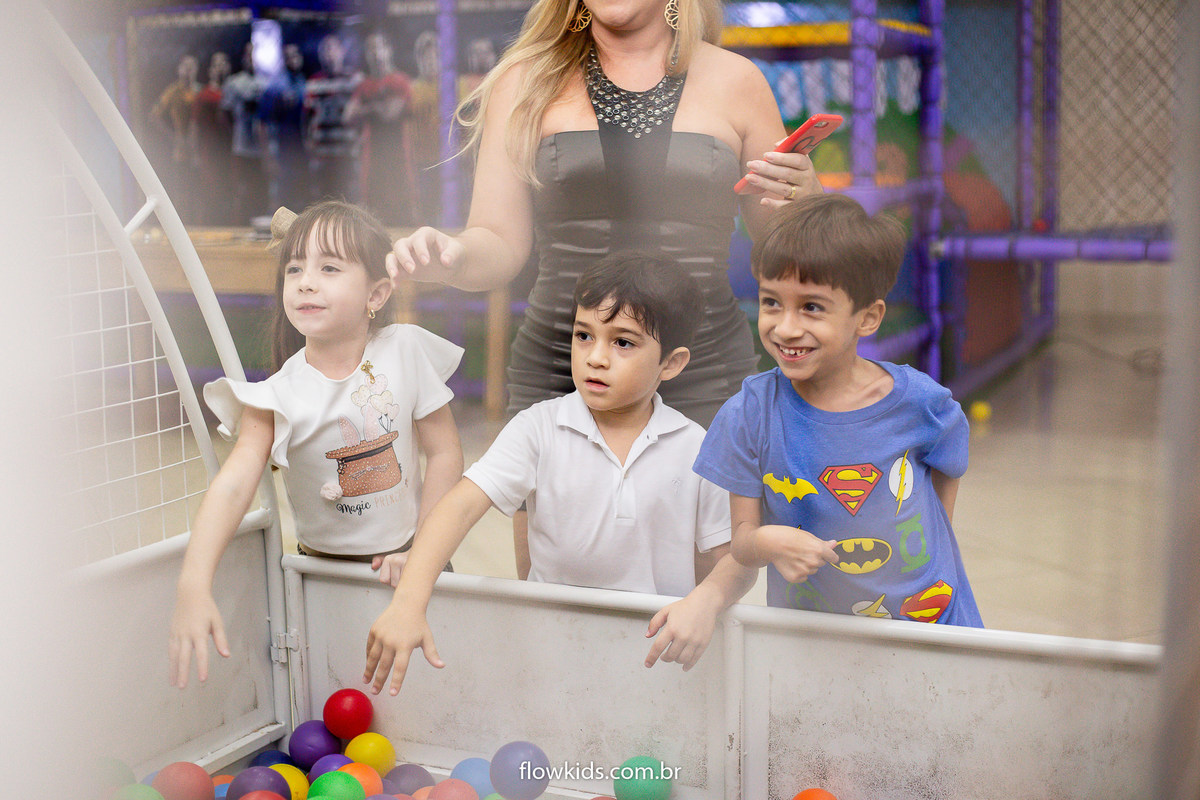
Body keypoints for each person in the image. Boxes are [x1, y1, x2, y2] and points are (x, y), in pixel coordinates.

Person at [387, 0, 823, 428]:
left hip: (703, 370)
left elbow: (783, 247)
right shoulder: (523, 82)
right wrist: (452, 257)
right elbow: (498, 239)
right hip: (562, 372)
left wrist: (805, 201)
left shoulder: (738, 80)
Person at [362, 253, 758, 696]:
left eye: (623, 343)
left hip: (655, 669)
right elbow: (459, 507)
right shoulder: (538, 427)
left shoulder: (699, 447)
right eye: (584, 335)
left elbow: (735, 560)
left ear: (671, 363)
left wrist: (705, 602)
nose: (596, 358)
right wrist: (409, 602)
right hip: (550, 659)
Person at [168, 200, 465, 688]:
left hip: (417, 569)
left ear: (376, 293)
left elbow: (446, 453)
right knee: (337, 701)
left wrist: (422, 552)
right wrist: (193, 584)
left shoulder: (406, 350)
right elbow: (234, 484)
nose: (306, 282)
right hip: (323, 584)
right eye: (294, 268)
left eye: (328, 268)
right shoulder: (276, 395)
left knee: (428, 696)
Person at [692, 194, 983, 627]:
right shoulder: (750, 414)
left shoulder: (922, 403)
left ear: (867, 318)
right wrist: (769, 541)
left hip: (933, 626)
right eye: (771, 302)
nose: (785, 327)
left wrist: (935, 555)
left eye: (811, 307)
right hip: (814, 638)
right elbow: (742, 542)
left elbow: (948, 467)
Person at [345, 30, 414, 225]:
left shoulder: (400, 80)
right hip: (372, 156)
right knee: (375, 209)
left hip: (398, 155)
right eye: (371, 48)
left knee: (400, 209)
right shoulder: (365, 84)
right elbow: (348, 115)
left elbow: (390, 114)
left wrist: (366, 107)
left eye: (379, 47)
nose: (375, 53)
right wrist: (376, 107)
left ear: (388, 50)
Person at [305, 33, 363, 204]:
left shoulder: (355, 79)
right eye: (324, 50)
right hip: (322, 158)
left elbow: (362, 116)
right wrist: (308, 143)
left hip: (347, 156)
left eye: (332, 48)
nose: (329, 53)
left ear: (341, 51)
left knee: (349, 204)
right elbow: (307, 118)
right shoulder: (313, 83)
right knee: (324, 204)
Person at [261, 43, 309, 213]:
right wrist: (268, 154)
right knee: (281, 197)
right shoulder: (275, 86)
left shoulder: (304, 82)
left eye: (295, 55)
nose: (292, 59)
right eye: (288, 56)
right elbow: (263, 122)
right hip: (282, 150)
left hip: (302, 149)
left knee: (302, 195)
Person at [191, 51, 233, 224]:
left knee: (229, 190)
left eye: (223, 64)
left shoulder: (233, 91)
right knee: (210, 190)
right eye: (216, 64)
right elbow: (194, 125)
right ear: (210, 70)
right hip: (210, 151)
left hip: (230, 151)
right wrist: (195, 153)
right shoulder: (204, 94)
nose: (220, 68)